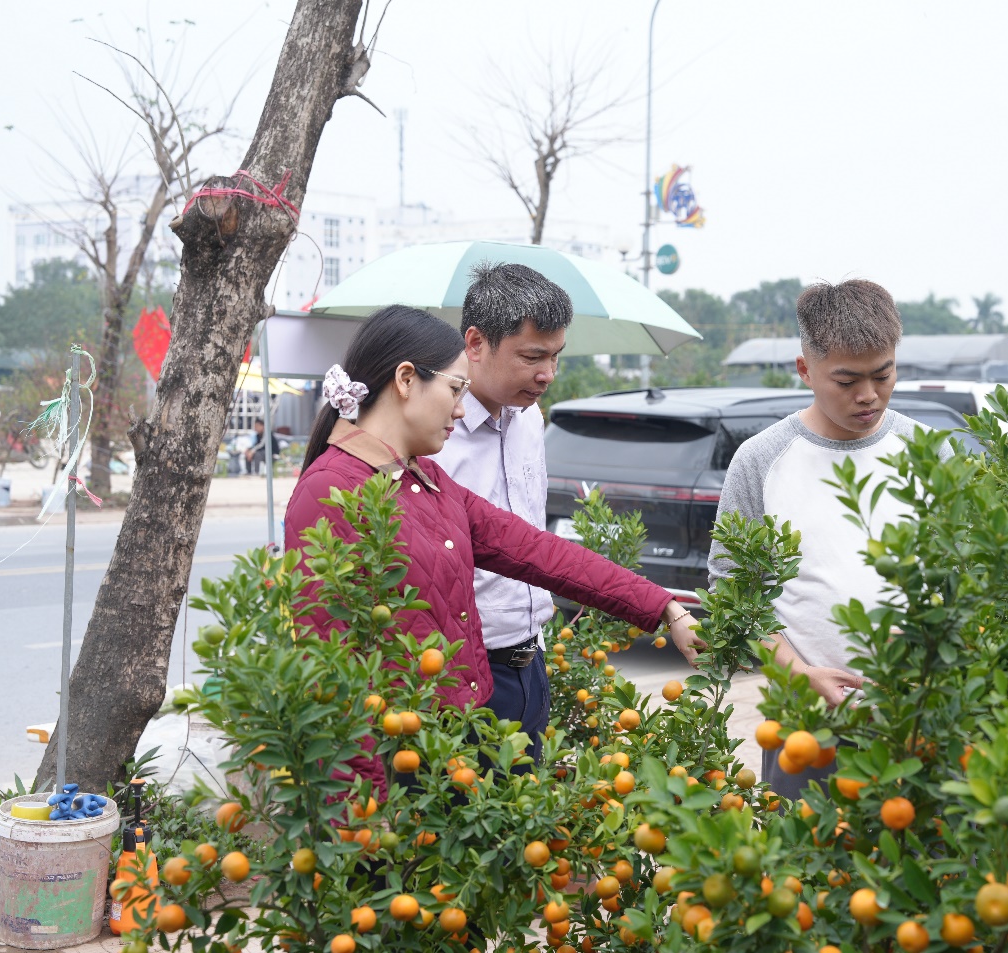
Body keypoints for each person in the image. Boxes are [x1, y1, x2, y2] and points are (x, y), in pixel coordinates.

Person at [284, 305, 699, 797]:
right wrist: (361, 821)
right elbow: (330, 675)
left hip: (462, 739)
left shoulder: (425, 478)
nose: (461, 410)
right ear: (406, 380)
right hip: (403, 765)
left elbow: (538, 553)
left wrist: (662, 606)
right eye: (455, 390)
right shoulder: (329, 491)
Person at [707, 279, 952, 798]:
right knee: (806, 845)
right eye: (847, 380)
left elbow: (963, 572)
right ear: (805, 370)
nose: (868, 395)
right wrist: (798, 674)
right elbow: (733, 590)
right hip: (807, 722)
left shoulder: (928, 452)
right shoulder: (761, 459)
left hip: (918, 715)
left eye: (883, 375)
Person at [429, 262, 608, 763]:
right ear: (476, 343)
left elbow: (531, 540)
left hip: (531, 660)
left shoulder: (529, 418)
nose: (547, 374)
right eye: (532, 356)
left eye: (555, 356)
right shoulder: (433, 435)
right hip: (461, 671)